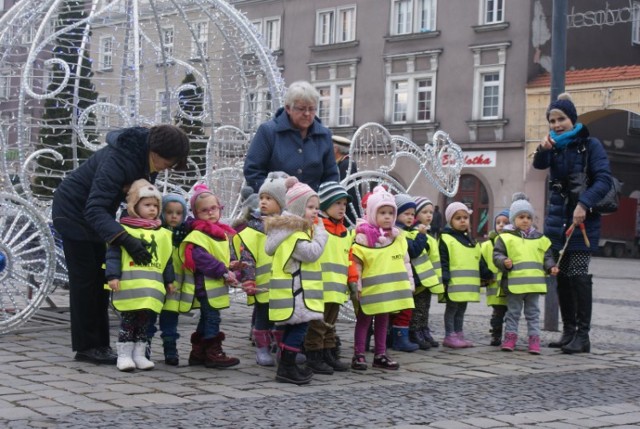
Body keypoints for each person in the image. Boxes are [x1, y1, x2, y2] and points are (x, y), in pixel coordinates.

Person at [51, 125, 189, 364]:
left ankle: (100, 345)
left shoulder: (146, 160)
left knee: (101, 280)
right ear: (154, 150)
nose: (168, 167)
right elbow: (94, 208)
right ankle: (87, 347)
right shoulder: (119, 159)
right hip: (73, 212)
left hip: (96, 215)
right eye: (168, 161)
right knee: (86, 281)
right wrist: (125, 239)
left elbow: (134, 202)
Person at [533, 92, 612, 354]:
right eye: (552, 121)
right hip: (558, 221)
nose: (556, 125)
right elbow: (538, 165)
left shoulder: (590, 145)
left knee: (578, 276)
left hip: (582, 223)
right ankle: (568, 332)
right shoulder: (553, 146)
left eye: (561, 119)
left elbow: (603, 179)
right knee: (562, 277)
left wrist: (584, 204)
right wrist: (543, 150)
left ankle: (583, 335)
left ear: (572, 119)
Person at [105, 180, 175, 372]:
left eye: (155, 206)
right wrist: (113, 276)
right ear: (135, 206)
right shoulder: (124, 231)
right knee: (128, 322)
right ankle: (124, 355)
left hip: (150, 290)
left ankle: (139, 354)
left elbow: (166, 259)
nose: (152, 209)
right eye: (147, 205)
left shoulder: (162, 234)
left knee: (144, 323)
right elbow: (113, 255)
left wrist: (169, 280)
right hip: (129, 287)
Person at [264, 177, 328, 385]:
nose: (315, 212)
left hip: (292, 292)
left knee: (293, 328)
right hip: (296, 293)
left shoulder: (286, 232)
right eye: (310, 207)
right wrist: (320, 232)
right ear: (298, 209)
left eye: (317, 207)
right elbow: (312, 253)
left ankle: (287, 364)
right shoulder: (294, 235)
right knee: (299, 328)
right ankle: (287, 366)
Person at [350, 186, 414, 371]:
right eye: (382, 212)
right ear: (371, 213)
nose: (387, 217)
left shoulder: (397, 238)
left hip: (387, 291)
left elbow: (405, 262)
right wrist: (357, 286)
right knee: (363, 322)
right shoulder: (363, 237)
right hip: (369, 290)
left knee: (383, 321)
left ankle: (380, 354)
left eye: (390, 213)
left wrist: (409, 283)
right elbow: (357, 264)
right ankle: (359, 354)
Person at [180, 184, 241, 368]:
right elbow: (203, 259)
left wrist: (232, 266)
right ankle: (213, 352)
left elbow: (219, 257)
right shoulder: (199, 234)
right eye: (204, 210)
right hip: (205, 286)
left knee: (207, 317)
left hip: (214, 284)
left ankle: (198, 352)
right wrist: (223, 270)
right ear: (196, 213)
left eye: (213, 208)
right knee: (212, 317)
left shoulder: (220, 233)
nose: (210, 213)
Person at [233, 172, 289, 367]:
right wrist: (248, 278)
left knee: (282, 317)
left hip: (283, 284)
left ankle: (281, 346)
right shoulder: (253, 227)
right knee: (263, 317)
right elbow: (247, 255)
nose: (263, 202)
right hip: (262, 284)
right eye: (262, 198)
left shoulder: (288, 227)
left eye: (269, 198)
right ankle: (262, 348)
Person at [243, 80, 340, 192]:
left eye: (312, 109)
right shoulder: (268, 132)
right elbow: (253, 171)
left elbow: (331, 177)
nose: (307, 114)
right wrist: (277, 193)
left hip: (313, 205)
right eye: (302, 109)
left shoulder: (324, 135)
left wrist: (319, 202)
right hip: (275, 205)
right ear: (288, 108)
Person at [493, 195, 559, 354]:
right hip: (515, 285)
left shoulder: (540, 238)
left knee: (533, 314)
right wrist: (504, 261)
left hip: (534, 285)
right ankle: (510, 338)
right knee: (513, 313)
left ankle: (534, 340)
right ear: (513, 219)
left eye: (528, 217)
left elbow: (547, 256)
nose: (525, 220)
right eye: (521, 217)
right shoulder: (505, 238)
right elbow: (497, 255)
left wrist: (551, 267)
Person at [303, 181, 356, 375]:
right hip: (318, 286)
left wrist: (352, 280)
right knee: (317, 325)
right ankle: (314, 356)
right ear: (325, 206)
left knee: (330, 325)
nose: (342, 208)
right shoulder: (317, 228)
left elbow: (348, 258)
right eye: (337, 203)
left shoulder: (345, 232)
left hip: (337, 288)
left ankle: (329, 354)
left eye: (344, 204)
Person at [439, 202, 492, 348]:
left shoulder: (471, 240)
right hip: (453, 284)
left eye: (465, 217)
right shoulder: (446, 238)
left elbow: (478, 259)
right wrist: (444, 278)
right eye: (458, 218)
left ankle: (459, 334)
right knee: (452, 309)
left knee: (461, 310)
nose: (462, 220)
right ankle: (450, 335)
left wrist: (487, 274)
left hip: (467, 285)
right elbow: (443, 260)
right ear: (450, 221)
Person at [146, 193, 188, 366]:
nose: (174, 216)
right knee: (148, 318)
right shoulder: (156, 232)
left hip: (174, 287)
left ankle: (170, 348)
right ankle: (144, 346)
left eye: (178, 213)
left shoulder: (186, 235)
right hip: (156, 284)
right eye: (169, 212)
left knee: (170, 319)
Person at [389, 194, 421, 352]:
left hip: (407, 277)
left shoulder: (408, 231)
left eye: (412, 214)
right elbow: (414, 250)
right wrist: (421, 237)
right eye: (406, 213)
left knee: (404, 308)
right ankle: (399, 338)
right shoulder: (398, 233)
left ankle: (396, 336)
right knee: (402, 309)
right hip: (399, 277)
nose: (410, 217)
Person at [411, 196, 444, 348]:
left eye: (431, 212)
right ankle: (415, 331)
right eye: (424, 212)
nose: (429, 215)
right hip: (420, 279)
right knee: (417, 308)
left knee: (425, 307)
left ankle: (424, 329)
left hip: (429, 279)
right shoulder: (415, 233)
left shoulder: (429, 235)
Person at [481, 208, 510, 346]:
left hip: (510, 285)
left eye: (505, 222)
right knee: (497, 314)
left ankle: (510, 335)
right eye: (498, 222)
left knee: (511, 314)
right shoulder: (487, 245)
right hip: (494, 285)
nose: (501, 225)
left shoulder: (513, 242)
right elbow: (482, 261)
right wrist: (486, 275)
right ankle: (496, 335)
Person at [332, 135, 359, 223]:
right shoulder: (341, 163)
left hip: (347, 216)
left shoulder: (347, 164)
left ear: (335, 149)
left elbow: (348, 191)